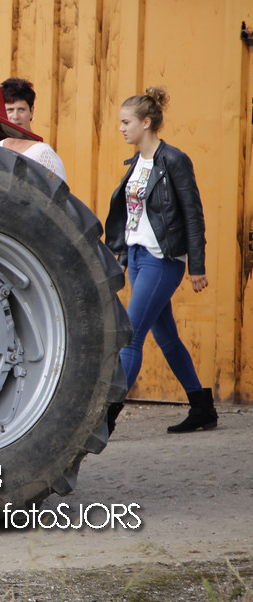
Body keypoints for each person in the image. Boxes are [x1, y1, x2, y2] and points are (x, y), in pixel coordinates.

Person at [104, 87, 213, 434]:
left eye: (126, 122)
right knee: (166, 337)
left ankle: (105, 417)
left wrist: (196, 266)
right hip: (138, 256)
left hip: (162, 259)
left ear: (146, 123)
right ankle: (202, 407)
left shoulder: (174, 160)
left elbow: (193, 215)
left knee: (130, 336)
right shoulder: (136, 163)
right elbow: (131, 217)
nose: (121, 128)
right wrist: (123, 255)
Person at [0, 77, 66, 181]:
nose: (15, 116)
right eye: (10, 110)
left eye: (21, 109)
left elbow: (58, 189)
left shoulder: (43, 154)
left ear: (31, 111)